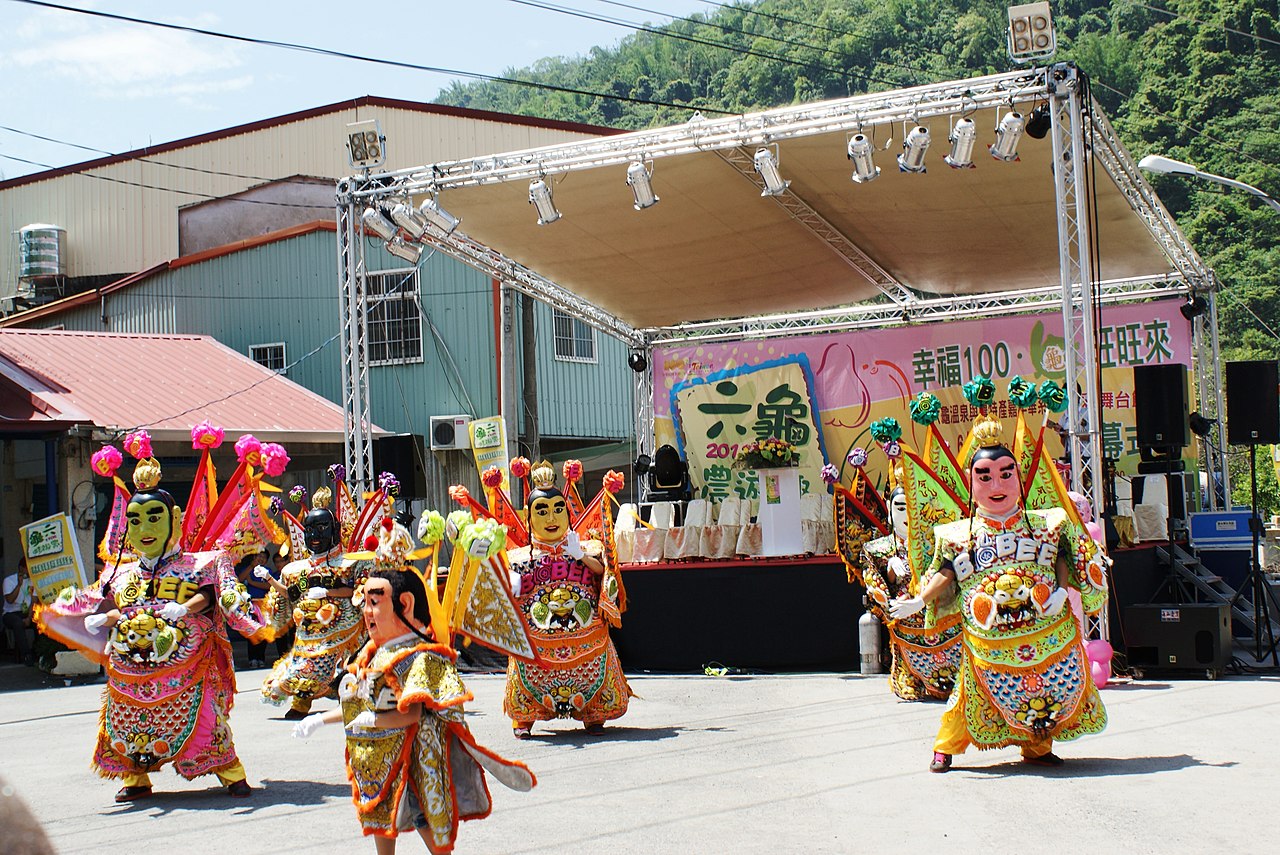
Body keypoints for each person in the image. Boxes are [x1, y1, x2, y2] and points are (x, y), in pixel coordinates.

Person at [292, 522, 535, 854]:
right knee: (379, 817)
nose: (366, 612)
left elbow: (413, 712)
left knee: (422, 820)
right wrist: (320, 720)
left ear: (404, 605)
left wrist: (374, 721)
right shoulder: (371, 654)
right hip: (376, 761)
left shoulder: (421, 658)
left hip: (416, 761)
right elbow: (362, 703)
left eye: (374, 603)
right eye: (364, 602)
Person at [38, 454, 264, 801]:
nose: (144, 529)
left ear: (174, 519)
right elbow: (113, 605)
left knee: (203, 720)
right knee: (128, 723)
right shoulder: (123, 573)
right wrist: (96, 615)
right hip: (131, 666)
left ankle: (230, 772)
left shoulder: (199, 563)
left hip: (184, 665)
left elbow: (210, 595)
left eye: (153, 518)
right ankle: (136, 777)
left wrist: (185, 609)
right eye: (135, 520)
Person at [890, 415, 1108, 773]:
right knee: (971, 693)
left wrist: (1060, 589)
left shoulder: (1048, 523)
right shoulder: (957, 534)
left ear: (1020, 479)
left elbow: (1064, 555)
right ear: (971, 483)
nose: (997, 484)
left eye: (1007, 474)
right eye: (985, 476)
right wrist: (920, 599)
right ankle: (946, 748)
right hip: (988, 637)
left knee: (1042, 690)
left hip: (1045, 630)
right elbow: (947, 571)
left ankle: (1037, 748)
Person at [503, 461, 631, 738]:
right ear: (529, 517)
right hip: (539, 638)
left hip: (584, 634)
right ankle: (525, 718)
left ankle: (593, 714)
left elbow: (603, 570)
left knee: (596, 659)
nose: (551, 518)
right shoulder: (518, 557)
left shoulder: (585, 548)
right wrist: (511, 584)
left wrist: (579, 555)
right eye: (542, 511)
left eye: (558, 509)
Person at [259, 487, 367, 719]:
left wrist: (332, 592)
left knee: (343, 668)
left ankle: (345, 693)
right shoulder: (294, 569)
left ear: (335, 530)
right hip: (307, 637)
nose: (314, 535)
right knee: (281, 684)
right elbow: (288, 596)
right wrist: (269, 582)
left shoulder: (351, 563)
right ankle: (302, 700)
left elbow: (360, 592)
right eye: (309, 530)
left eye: (321, 528)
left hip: (344, 633)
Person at [862, 484, 961, 701]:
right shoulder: (877, 548)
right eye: (899, 507)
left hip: (940, 614)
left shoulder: (939, 542)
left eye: (913, 508)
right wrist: (889, 570)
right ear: (889, 510)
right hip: (906, 622)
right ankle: (911, 675)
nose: (906, 515)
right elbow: (874, 585)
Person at [3, 558, 35, 666]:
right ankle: (26, 654)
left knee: (41, 621)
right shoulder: (9, 580)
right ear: (21, 568)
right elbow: (10, 600)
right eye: (27, 568)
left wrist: (29, 618)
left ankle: (39, 652)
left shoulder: (32, 581)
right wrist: (19, 585)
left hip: (27, 612)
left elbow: (33, 602)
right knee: (17, 623)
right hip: (11, 613)